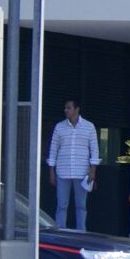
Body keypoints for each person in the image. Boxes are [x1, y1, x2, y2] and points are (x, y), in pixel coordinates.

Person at [47, 98, 100, 229]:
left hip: (81, 172)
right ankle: (61, 231)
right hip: (62, 171)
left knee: (81, 206)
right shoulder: (59, 127)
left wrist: (93, 171)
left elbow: (94, 149)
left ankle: (81, 232)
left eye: (69, 108)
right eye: (65, 108)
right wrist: (51, 171)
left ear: (77, 109)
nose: (66, 110)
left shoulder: (89, 127)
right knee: (61, 205)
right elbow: (53, 149)